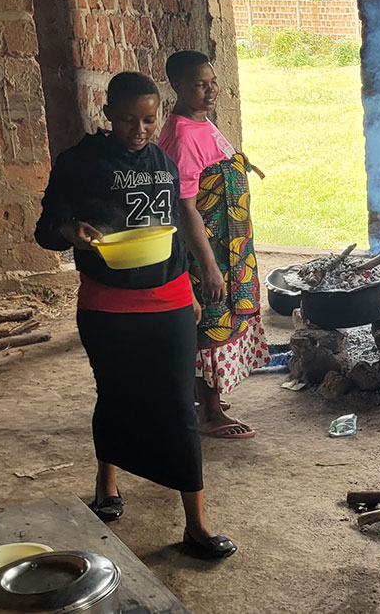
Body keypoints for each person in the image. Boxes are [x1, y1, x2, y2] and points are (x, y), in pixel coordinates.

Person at [34, 71, 237, 559]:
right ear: (107, 114)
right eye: (128, 120)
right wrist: (70, 230)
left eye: (149, 119)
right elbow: (45, 229)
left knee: (177, 406)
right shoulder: (79, 163)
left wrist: (190, 282)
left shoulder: (163, 163)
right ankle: (108, 482)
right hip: (107, 302)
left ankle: (197, 524)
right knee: (116, 395)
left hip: (168, 300)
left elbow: (173, 226)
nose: (139, 130)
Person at [159, 50, 269, 440]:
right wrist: (208, 265)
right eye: (199, 85)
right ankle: (208, 412)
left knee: (219, 319)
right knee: (210, 322)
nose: (210, 91)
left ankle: (205, 398)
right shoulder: (182, 136)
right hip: (208, 250)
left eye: (213, 82)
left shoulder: (201, 123)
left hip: (229, 247)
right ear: (177, 86)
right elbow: (186, 207)